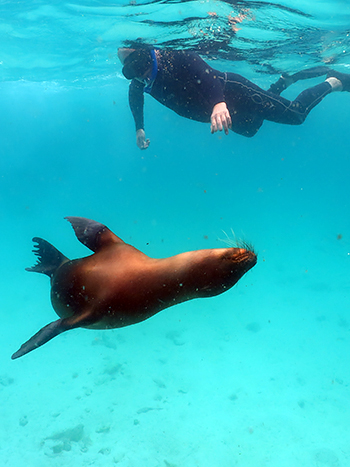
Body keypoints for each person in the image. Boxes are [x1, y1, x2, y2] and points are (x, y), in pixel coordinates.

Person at [118, 46, 350, 150]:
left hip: (234, 92)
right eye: (131, 71)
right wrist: (139, 129)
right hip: (223, 111)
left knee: (296, 115)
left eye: (139, 64)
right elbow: (135, 98)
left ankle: (334, 82)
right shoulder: (140, 80)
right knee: (252, 129)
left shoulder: (172, 56)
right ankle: (283, 82)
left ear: (149, 54)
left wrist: (219, 103)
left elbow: (203, 72)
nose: (140, 75)